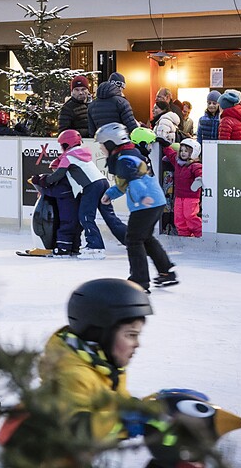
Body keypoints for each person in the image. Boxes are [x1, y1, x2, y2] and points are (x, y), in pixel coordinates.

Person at [34, 278, 157, 452]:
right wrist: (122, 421)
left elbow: (116, 404)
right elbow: (75, 430)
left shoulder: (105, 367)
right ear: (101, 335)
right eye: (131, 335)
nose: (137, 344)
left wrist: (156, 406)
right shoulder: (72, 374)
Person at [108, 127, 176, 290]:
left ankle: (139, 281)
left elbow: (134, 181)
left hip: (146, 203)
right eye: (150, 144)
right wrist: (110, 194)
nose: (151, 148)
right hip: (156, 201)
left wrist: (141, 198)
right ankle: (166, 271)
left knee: (134, 240)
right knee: (146, 238)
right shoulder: (138, 157)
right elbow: (126, 183)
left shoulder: (130, 159)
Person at [171, 139, 203, 239]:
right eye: (181, 150)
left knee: (190, 216)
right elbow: (170, 155)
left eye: (186, 151)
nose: (183, 153)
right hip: (179, 196)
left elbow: (200, 172)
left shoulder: (195, 165)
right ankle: (183, 235)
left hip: (191, 196)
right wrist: (164, 145)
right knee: (179, 217)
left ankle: (200, 233)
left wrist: (199, 179)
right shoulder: (178, 164)